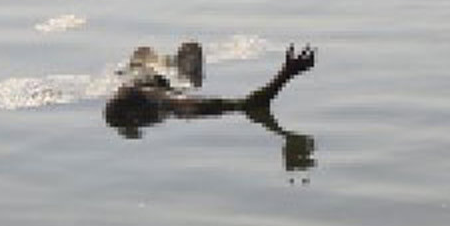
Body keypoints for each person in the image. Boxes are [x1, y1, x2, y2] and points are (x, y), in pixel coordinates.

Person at [104, 42, 316, 172]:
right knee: (188, 55)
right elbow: (248, 105)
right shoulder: (181, 106)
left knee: (158, 53)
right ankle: (162, 65)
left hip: (148, 77)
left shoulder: (149, 91)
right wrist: (284, 75)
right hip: (158, 83)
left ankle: (159, 65)